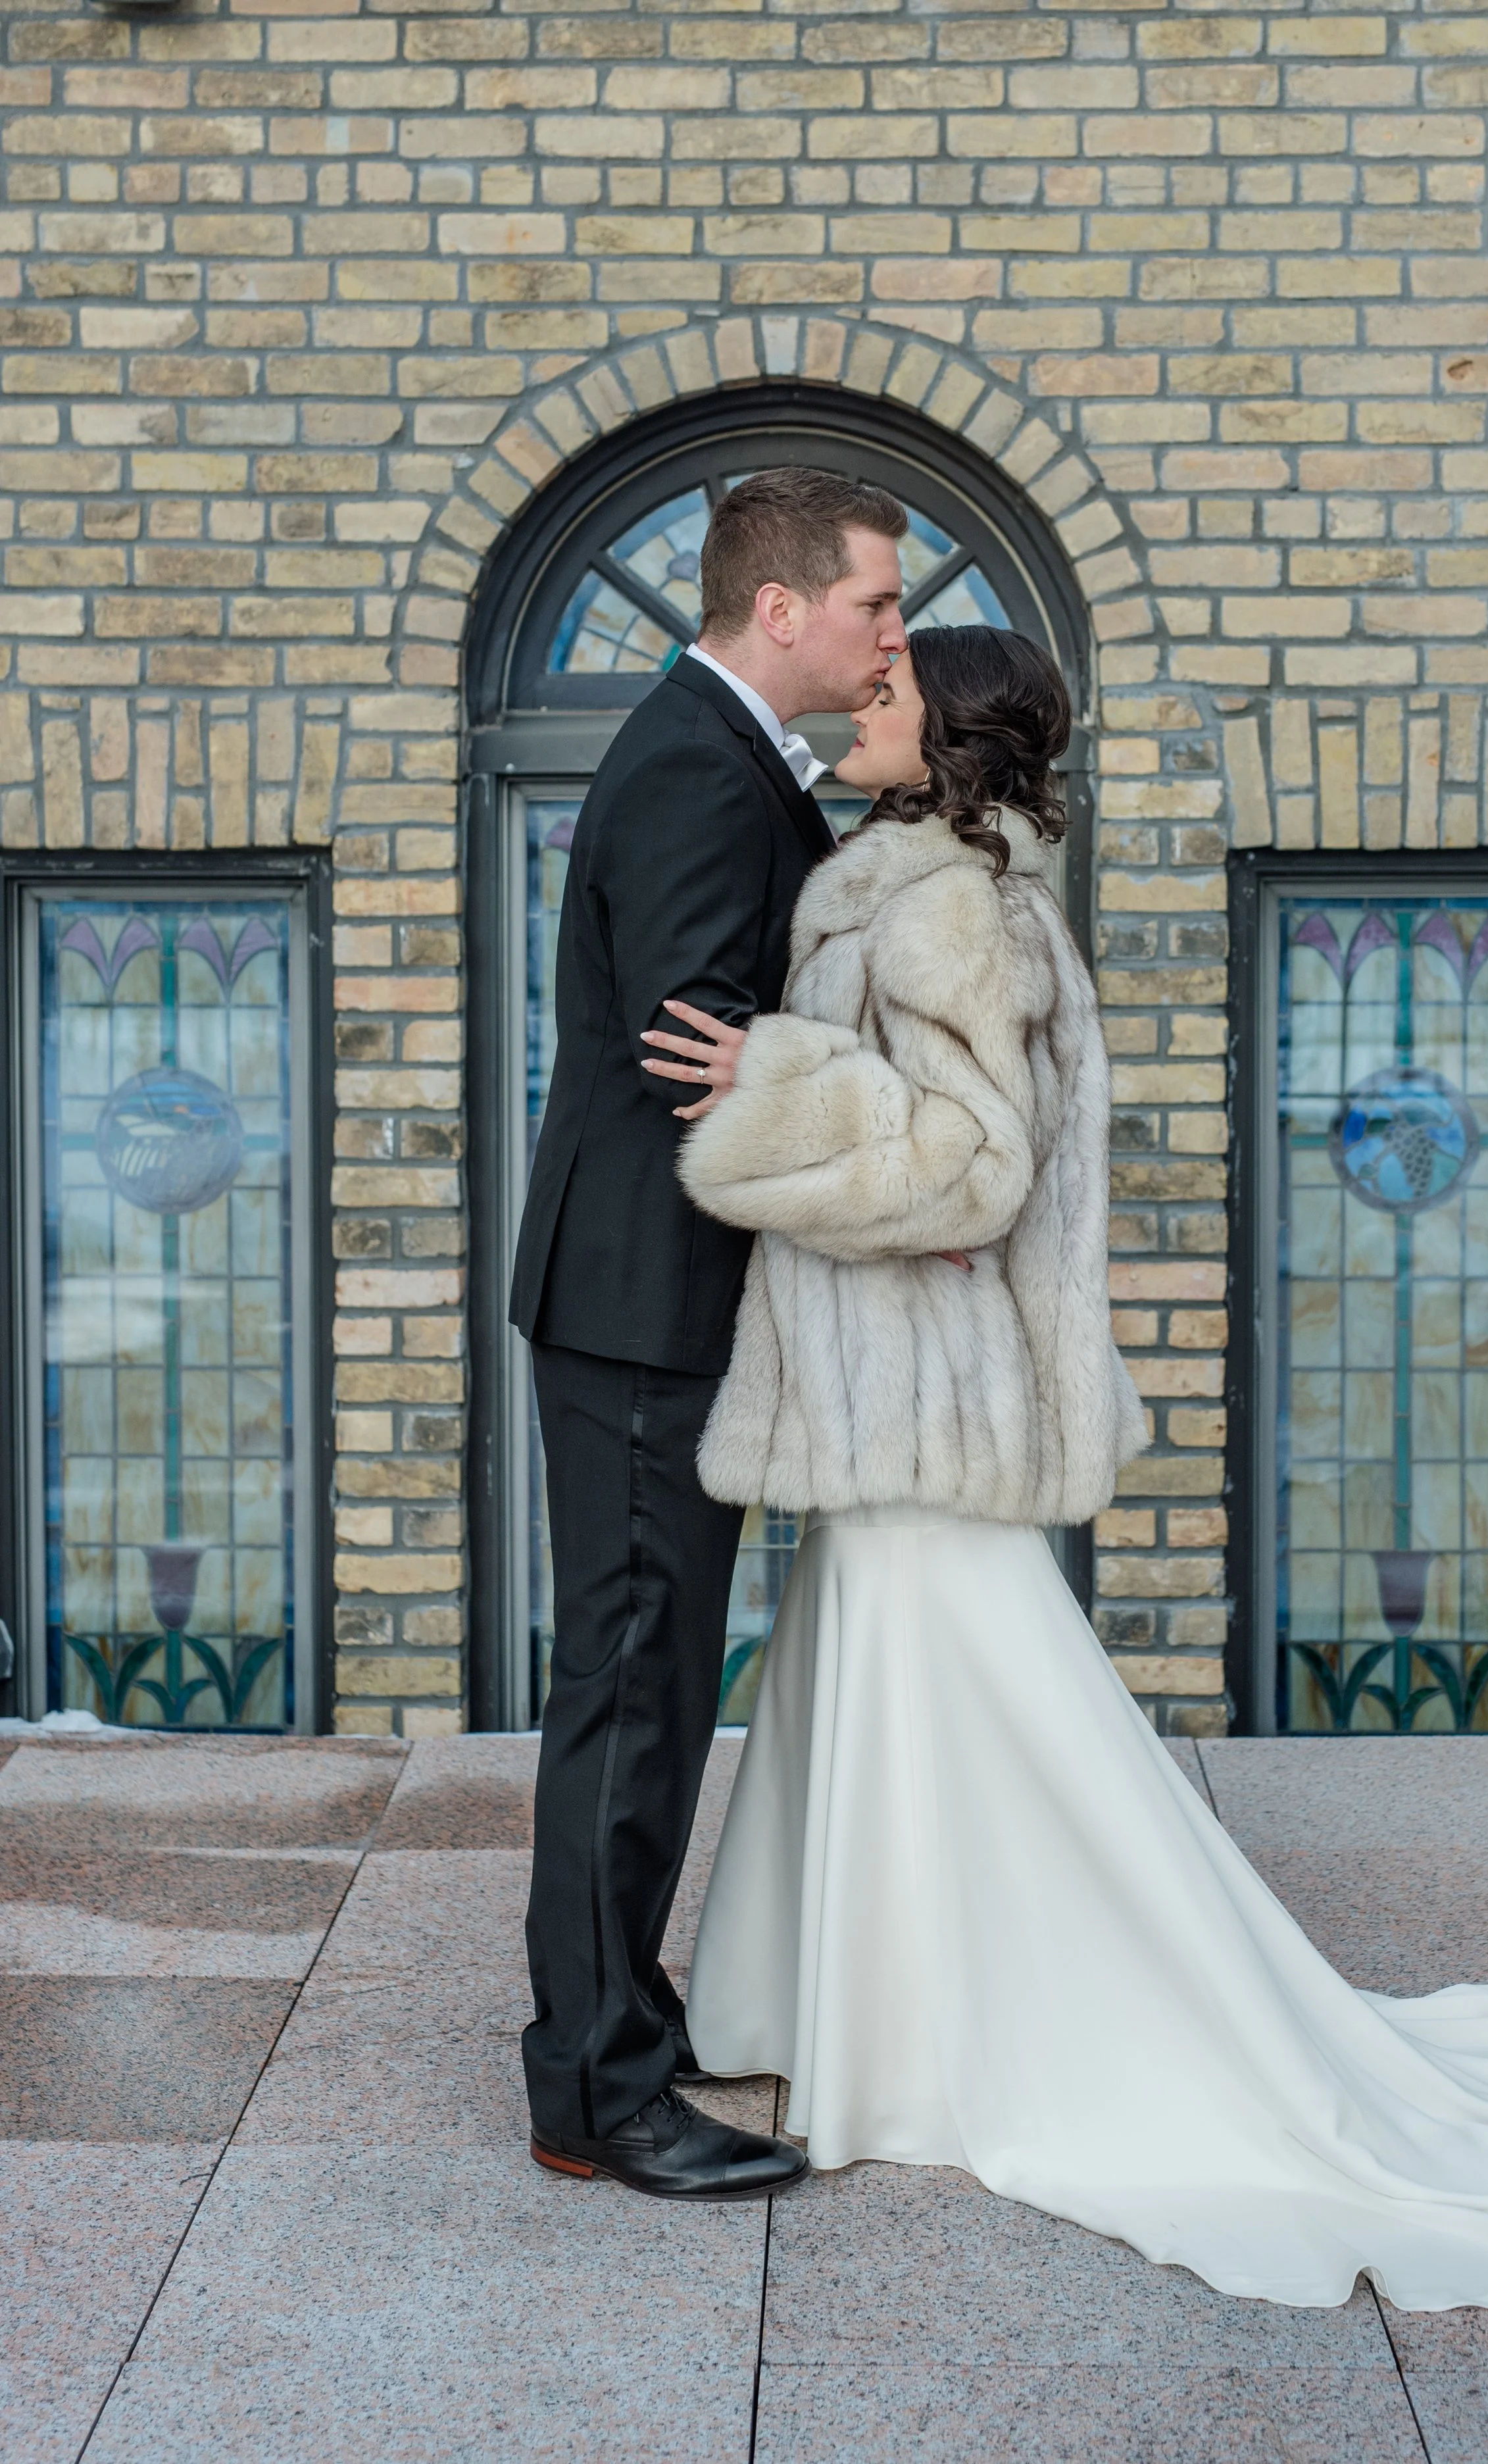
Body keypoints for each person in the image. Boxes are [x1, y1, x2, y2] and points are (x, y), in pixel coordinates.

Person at [645, 624, 1488, 2310]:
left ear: (949, 740)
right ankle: (859, 2016)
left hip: (926, 1400)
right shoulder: (898, 881)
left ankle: (959, 2038)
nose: (857, 707)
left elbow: (972, 1166)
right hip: (896, 1389)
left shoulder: (952, 908)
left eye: (889, 696)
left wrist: (780, 1082)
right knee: (895, 1696)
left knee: (969, 1705)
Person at [510, 466, 908, 2200]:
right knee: (631, 1690)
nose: (894, 635)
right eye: (876, 606)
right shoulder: (691, 761)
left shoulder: (727, 752)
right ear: (781, 611)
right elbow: (701, 1057)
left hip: (660, 1308)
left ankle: (622, 2023)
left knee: (654, 1680)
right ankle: (597, 2090)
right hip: (639, 1310)